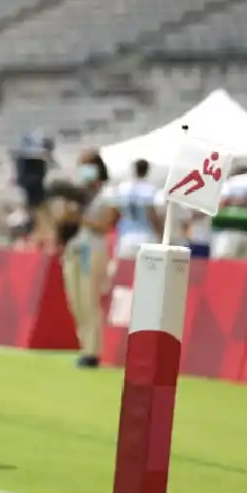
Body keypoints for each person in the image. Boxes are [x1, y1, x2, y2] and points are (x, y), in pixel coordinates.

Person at [50, 149, 113, 369]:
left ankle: (93, 351)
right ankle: (84, 346)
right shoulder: (76, 194)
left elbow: (106, 225)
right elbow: (64, 219)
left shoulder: (107, 193)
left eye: (87, 164)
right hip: (73, 248)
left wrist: (82, 220)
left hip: (92, 248)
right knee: (74, 300)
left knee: (89, 299)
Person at [109, 159, 162, 261]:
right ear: (147, 171)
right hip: (146, 236)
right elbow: (152, 214)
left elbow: (114, 213)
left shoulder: (123, 188)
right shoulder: (150, 189)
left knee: (125, 273)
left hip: (125, 236)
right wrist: (159, 231)